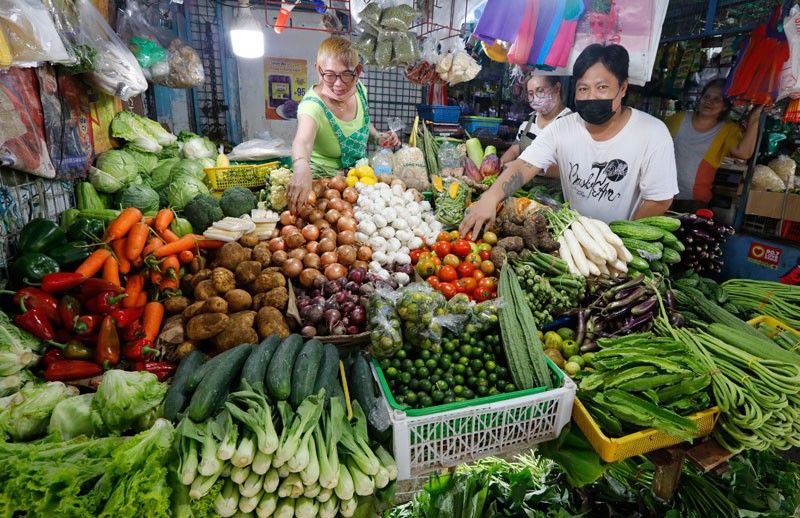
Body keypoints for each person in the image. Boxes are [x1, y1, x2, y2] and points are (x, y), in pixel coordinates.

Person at [461, 44, 678, 237]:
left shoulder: (652, 133)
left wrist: (621, 239)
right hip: (574, 237)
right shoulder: (562, 128)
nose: (591, 96)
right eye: (583, 88)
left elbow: (659, 200)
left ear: (622, 88)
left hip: (624, 245)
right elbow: (524, 165)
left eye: (602, 87)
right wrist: (490, 198)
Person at [288, 36, 400, 213]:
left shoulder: (360, 90)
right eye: (330, 75)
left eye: (347, 74)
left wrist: (377, 136)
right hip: (324, 187)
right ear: (319, 70)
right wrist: (301, 167)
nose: (339, 84)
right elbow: (303, 141)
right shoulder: (312, 106)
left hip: (356, 181)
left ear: (358, 71)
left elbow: (363, 122)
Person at [666, 78, 763, 212]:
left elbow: (744, 153)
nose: (709, 102)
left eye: (717, 99)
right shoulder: (678, 118)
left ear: (725, 106)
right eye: (706, 96)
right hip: (661, 193)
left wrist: (754, 119)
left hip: (694, 201)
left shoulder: (727, 129)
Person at [501, 75, 571, 170]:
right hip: (523, 183)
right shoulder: (530, 118)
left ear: (557, 88)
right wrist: (501, 164)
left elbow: (569, 168)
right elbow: (515, 149)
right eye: (530, 93)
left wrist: (527, 168)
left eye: (540, 90)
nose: (535, 98)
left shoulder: (570, 122)